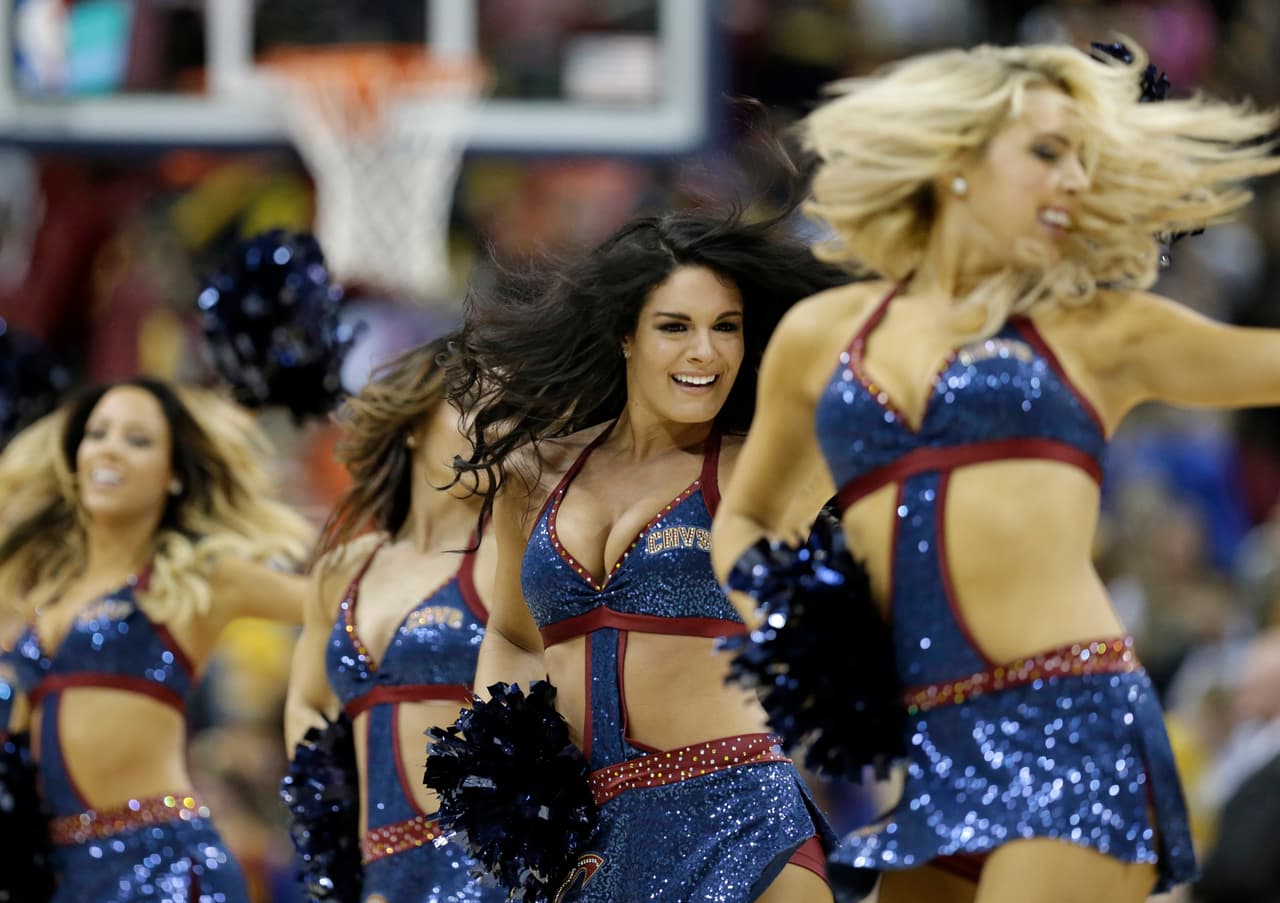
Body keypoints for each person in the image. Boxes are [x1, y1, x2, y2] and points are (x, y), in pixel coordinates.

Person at [710, 41, 1280, 903]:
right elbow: (752, 515)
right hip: (928, 739)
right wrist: (797, 633)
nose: (1075, 182)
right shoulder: (822, 334)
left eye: (1085, 162)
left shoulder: (1098, 328)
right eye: (1048, 153)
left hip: (1072, 718)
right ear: (958, 158)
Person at [447, 209, 851, 902]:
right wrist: (501, 761)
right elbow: (514, 634)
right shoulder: (536, 472)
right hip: (590, 842)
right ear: (624, 334)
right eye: (676, 326)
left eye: (726, 326)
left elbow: (873, 369)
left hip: (744, 826)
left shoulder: (764, 466)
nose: (706, 352)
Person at [0, 377, 313, 903]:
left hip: (161, 864)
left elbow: (337, 607)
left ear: (172, 475)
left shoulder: (199, 578)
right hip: (57, 874)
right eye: (97, 433)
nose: (110, 449)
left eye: (138, 439)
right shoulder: (32, 591)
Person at [284, 337, 505, 902]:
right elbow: (309, 701)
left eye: (509, 412)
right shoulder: (344, 569)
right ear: (413, 425)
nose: (495, 427)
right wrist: (324, 809)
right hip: (373, 872)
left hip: (478, 871)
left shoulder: (509, 556)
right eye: (474, 405)